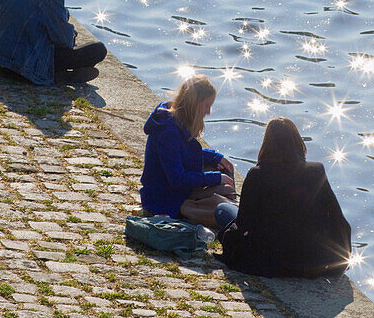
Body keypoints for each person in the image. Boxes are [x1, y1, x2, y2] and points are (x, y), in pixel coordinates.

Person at [217, 117, 352, 278]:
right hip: (311, 261)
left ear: (267, 145)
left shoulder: (257, 174)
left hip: (271, 260)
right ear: (298, 142)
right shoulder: (316, 171)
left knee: (222, 209)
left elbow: (244, 224)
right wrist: (341, 262)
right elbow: (339, 220)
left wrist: (228, 240)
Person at [140, 75, 236, 230]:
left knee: (219, 172)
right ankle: (199, 209)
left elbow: (185, 153)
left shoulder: (177, 120)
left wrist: (216, 157)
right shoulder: (168, 132)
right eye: (206, 106)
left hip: (175, 189)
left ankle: (215, 205)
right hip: (163, 197)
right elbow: (177, 179)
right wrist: (215, 178)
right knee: (219, 204)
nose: (208, 112)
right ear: (195, 104)